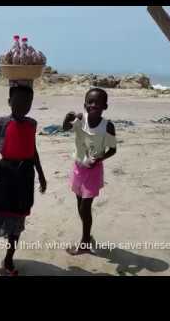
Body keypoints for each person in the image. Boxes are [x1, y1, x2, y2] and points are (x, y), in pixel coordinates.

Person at [0, 84, 47, 276]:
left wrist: (41, 174)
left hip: (25, 175)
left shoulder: (32, 124)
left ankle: (9, 258)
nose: (23, 105)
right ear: (10, 102)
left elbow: (32, 150)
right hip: (5, 174)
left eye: (28, 102)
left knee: (18, 219)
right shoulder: (0, 123)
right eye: (18, 101)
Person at [62, 87, 117, 255]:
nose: (93, 105)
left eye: (97, 103)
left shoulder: (107, 126)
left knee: (85, 207)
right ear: (84, 104)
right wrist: (66, 119)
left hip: (93, 171)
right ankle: (87, 236)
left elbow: (112, 150)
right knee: (80, 206)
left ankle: (85, 242)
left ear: (105, 106)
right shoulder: (80, 118)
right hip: (78, 168)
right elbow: (65, 129)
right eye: (89, 102)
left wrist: (99, 159)